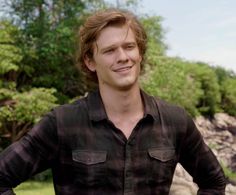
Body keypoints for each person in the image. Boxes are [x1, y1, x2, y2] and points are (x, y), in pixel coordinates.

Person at [0, 8, 226, 195]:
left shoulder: (176, 121)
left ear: (140, 53)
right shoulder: (61, 123)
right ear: (90, 61)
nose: (123, 57)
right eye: (109, 50)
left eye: (129, 47)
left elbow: (214, 183)